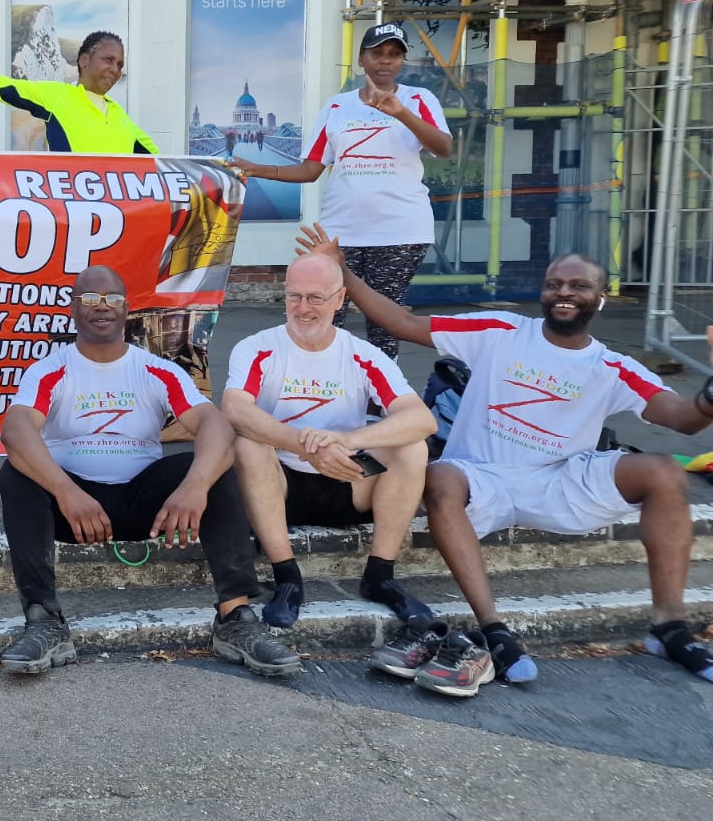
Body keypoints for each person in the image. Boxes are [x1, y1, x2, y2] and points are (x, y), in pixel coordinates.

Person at [300, 224, 713, 696]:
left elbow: (684, 420)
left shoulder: (611, 366)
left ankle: (669, 627)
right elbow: (401, 322)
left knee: (664, 472)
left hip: (559, 481)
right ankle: (495, 630)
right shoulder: (500, 329)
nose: (564, 293)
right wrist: (342, 270)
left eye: (579, 286)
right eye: (554, 284)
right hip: (483, 478)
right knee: (438, 479)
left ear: (600, 298)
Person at [0, 266, 300, 676]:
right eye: (89, 298)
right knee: (16, 473)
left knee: (215, 466)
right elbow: (16, 430)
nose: (101, 307)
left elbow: (214, 426)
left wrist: (195, 485)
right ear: (73, 309)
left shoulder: (158, 369)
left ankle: (235, 618)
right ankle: (43, 619)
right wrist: (66, 492)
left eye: (112, 298)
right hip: (73, 508)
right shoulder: (51, 369)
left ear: (126, 309)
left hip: (148, 506)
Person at [222, 252, 437, 629]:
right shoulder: (257, 347)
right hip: (280, 488)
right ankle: (287, 576)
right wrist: (302, 445)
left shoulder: (362, 354)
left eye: (316, 298)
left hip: (348, 482)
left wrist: (347, 440)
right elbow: (234, 408)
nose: (303, 308)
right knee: (246, 442)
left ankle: (380, 575)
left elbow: (421, 418)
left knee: (412, 447)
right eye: (294, 296)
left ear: (339, 300)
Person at [232, 22, 451, 358]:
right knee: (326, 317)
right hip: (340, 234)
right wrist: (259, 169)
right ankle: (329, 393)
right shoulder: (337, 107)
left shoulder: (419, 99)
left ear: (401, 62)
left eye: (394, 55)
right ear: (362, 59)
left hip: (400, 232)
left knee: (384, 324)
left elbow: (443, 148)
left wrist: (402, 114)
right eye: (377, 53)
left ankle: (381, 403)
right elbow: (311, 168)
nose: (385, 61)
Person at [0, 0, 158, 154]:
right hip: (70, 208)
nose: (115, 69)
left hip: (116, 209)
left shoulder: (120, 115)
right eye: (108, 60)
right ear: (84, 60)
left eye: (120, 64)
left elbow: (166, 166)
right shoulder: (55, 96)